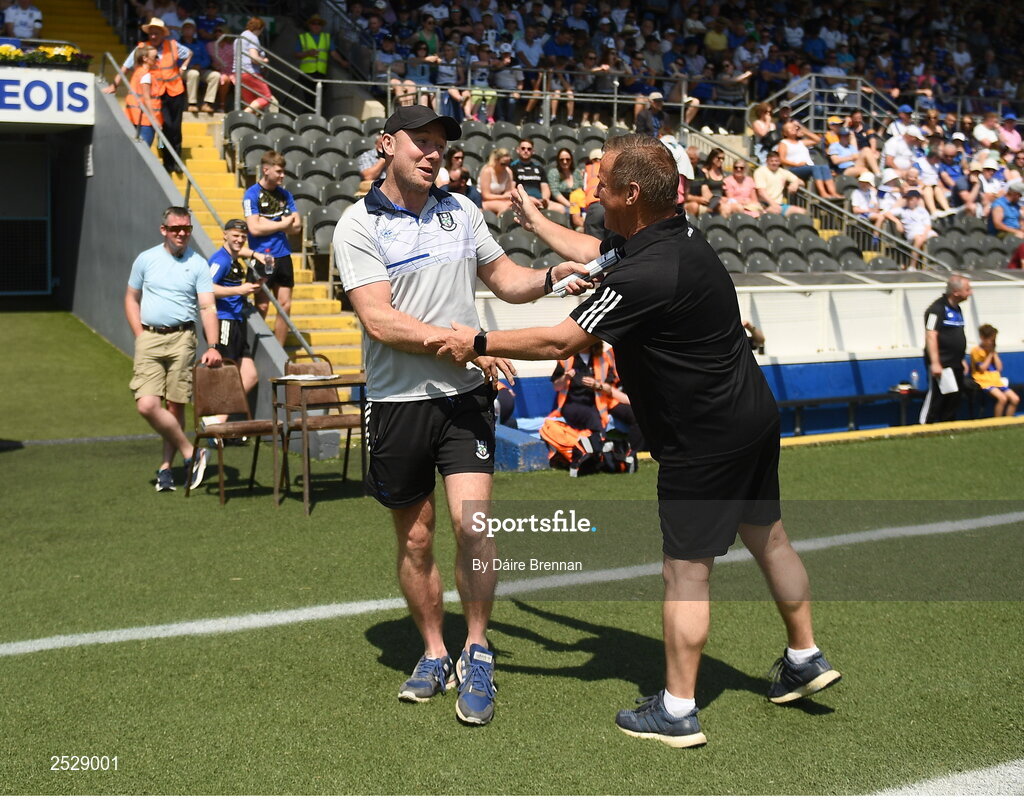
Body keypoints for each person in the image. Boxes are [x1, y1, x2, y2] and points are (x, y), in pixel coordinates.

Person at [427, 133, 841, 748]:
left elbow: (558, 343)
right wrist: (538, 222)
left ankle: (677, 709)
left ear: (630, 193)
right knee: (769, 536)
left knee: (686, 572)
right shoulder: (671, 237)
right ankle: (805, 655)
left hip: (702, 436)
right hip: (750, 414)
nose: (592, 188)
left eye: (603, 181)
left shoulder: (647, 272)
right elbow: (598, 251)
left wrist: (477, 344)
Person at [332, 104, 591, 727]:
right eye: (419, 142)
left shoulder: (462, 210)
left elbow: (505, 280)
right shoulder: (356, 226)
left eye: (440, 145)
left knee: (472, 528)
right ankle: (433, 650)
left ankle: (476, 648)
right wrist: (462, 342)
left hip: (463, 399)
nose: (431, 153)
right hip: (396, 404)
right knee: (416, 538)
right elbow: (379, 320)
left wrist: (555, 275)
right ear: (386, 144)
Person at [124, 206, 220, 493]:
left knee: (175, 405)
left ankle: (166, 468)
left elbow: (207, 307)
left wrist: (213, 345)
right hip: (150, 338)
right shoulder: (146, 259)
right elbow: (131, 299)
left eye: (187, 229)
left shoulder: (199, 264)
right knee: (147, 405)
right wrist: (140, 336)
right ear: (163, 230)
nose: (182, 233)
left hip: (183, 339)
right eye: (176, 228)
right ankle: (192, 453)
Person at [104, 18, 188, 174]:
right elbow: (125, 68)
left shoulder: (172, 46)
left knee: (174, 129)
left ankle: (174, 160)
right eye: (151, 33)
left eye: (156, 33)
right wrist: (114, 85)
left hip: (174, 91)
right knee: (161, 132)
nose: (154, 36)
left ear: (163, 34)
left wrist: (183, 66)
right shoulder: (143, 53)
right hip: (155, 100)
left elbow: (189, 53)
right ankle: (164, 156)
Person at [207, 218, 265, 424]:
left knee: (249, 376)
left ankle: (216, 421)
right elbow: (208, 288)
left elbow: (240, 251)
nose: (239, 240)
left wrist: (256, 255)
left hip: (237, 320)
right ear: (225, 235)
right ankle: (216, 425)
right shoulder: (220, 260)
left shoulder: (233, 256)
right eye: (235, 235)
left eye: (243, 237)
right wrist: (239, 290)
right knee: (226, 376)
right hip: (224, 321)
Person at [243, 150, 301, 346]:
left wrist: (267, 223)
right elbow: (253, 228)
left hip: (283, 255)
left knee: (285, 305)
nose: (282, 175)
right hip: (262, 256)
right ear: (266, 170)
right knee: (262, 305)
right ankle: (253, 346)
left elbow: (297, 226)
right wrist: (282, 224)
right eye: (278, 171)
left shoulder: (285, 195)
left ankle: (279, 351)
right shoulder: (252, 194)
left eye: (283, 171)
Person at [548, 341, 643, 453]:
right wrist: (566, 377)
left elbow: (610, 388)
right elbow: (556, 386)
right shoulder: (567, 359)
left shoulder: (603, 359)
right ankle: (602, 451)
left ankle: (633, 453)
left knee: (637, 414)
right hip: (575, 402)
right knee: (593, 416)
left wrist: (597, 385)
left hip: (603, 401)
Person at [920, 274, 972, 424]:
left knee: (953, 399)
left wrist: (961, 359)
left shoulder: (957, 309)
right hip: (942, 364)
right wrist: (935, 363)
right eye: (967, 289)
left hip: (955, 363)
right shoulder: (936, 309)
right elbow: (931, 335)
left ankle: (947, 428)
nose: (971, 293)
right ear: (956, 292)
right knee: (937, 398)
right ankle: (925, 427)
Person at [293, 14, 350, 111]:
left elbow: (333, 53)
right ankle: (308, 118)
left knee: (318, 98)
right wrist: (307, 53)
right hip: (306, 73)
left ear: (322, 26)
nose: (316, 25)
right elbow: (296, 54)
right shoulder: (303, 37)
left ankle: (311, 117)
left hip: (321, 73)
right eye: (313, 23)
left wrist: (342, 62)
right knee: (309, 98)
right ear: (309, 25)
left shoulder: (326, 37)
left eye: (319, 24)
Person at [970, 324, 1019, 417]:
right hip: (984, 381)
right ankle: (998, 423)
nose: (992, 342)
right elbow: (982, 368)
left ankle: (1008, 422)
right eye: (990, 340)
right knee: (1002, 399)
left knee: (1015, 399)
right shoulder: (976, 351)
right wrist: (989, 355)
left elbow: (999, 368)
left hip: (996, 380)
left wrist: (993, 353)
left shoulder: (992, 351)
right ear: (982, 338)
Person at [123, 46, 162, 148]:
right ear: (145, 58)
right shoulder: (146, 75)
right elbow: (146, 98)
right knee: (144, 149)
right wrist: (154, 118)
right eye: (155, 57)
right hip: (145, 120)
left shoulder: (137, 72)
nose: (157, 59)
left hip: (133, 117)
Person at [180, 18, 219, 114]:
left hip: (200, 69)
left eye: (190, 28)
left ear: (194, 31)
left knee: (215, 75)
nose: (188, 30)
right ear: (182, 30)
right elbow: (175, 60)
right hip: (184, 70)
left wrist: (200, 66)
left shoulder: (200, 44)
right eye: (186, 28)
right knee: (193, 74)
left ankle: (207, 103)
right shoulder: (178, 43)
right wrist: (190, 67)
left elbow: (207, 59)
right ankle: (192, 104)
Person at [239, 17, 276, 115]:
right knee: (266, 97)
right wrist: (264, 61)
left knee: (250, 102)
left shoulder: (240, 37)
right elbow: (254, 58)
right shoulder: (253, 37)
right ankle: (242, 115)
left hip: (239, 73)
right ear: (260, 28)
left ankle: (245, 122)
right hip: (250, 72)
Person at [753, 151, 807, 216]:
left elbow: (802, 182)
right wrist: (773, 204)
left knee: (802, 212)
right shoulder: (760, 171)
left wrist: (796, 183)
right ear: (767, 162)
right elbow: (761, 192)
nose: (774, 163)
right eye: (771, 161)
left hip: (780, 205)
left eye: (776, 161)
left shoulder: (783, 172)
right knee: (775, 211)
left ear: (779, 162)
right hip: (764, 204)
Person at [477, 146, 515, 214]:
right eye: (503, 164)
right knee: (503, 207)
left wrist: (505, 198)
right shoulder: (487, 171)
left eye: (507, 164)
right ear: (496, 160)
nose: (505, 166)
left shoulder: (508, 172)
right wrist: (503, 197)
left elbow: (508, 192)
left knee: (515, 205)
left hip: (501, 200)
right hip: (483, 201)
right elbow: (486, 196)